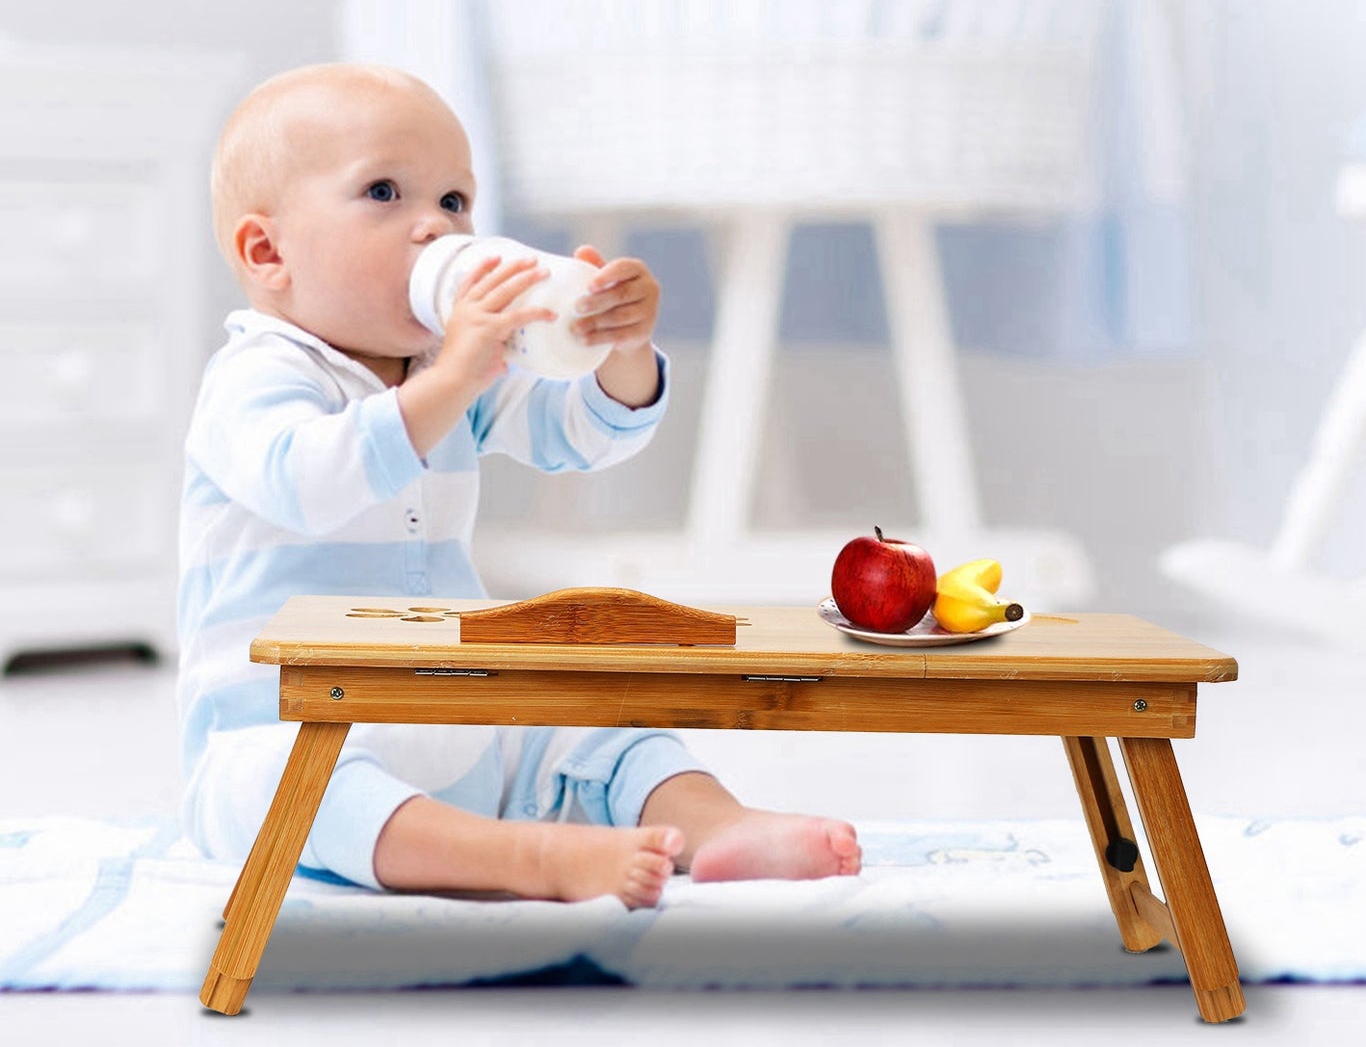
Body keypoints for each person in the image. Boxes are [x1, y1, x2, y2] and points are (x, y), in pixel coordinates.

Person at [177, 62, 861, 908]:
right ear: (268, 250)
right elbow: (306, 481)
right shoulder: (256, 375)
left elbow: (573, 434)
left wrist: (618, 349)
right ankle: (526, 856)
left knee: (598, 721)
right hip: (291, 727)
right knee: (285, 791)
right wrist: (451, 379)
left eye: (455, 201)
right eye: (385, 191)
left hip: (455, 716)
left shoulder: (447, 364)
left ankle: (717, 823)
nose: (434, 227)